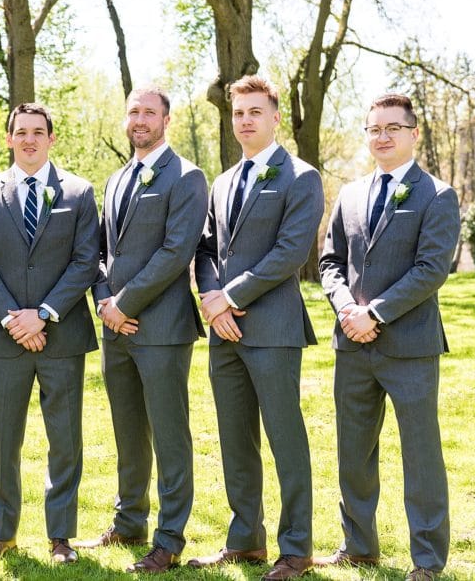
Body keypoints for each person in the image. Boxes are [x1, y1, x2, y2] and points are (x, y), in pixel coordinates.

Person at [317, 93, 459, 581]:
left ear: (413, 133)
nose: (381, 137)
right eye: (373, 128)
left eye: (392, 128)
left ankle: (427, 560)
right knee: (353, 452)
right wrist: (346, 310)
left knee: (420, 454)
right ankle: (359, 545)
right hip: (352, 344)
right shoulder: (350, 194)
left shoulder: (437, 195)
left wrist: (374, 312)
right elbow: (330, 262)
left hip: (410, 345)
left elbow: (431, 269)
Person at [191, 76, 323, 580]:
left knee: (285, 438)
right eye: (238, 113)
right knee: (234, 438)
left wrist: (233, 295)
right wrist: (211, 299)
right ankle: (245, 539)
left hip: (272, 328)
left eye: (254, 112)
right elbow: (204, 249)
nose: (245, 120)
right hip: (223, 332)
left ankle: (296, 549)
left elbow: (290, 252)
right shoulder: (222, 181)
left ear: (274, 117)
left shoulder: (300, 177)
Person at [79, 86, 207, 573]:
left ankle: (169, 539)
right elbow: (101, 254)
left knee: (169, 433)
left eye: (149, 112)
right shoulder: (115, 180)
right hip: (116, 329)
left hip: (161, 327)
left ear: (166, 121)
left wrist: (125, 302)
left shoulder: (187, 177)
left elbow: (177, 252)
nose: (140, 119)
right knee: (128, 430)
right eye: (133, 111)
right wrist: (104, 302)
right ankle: (128, 521)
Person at [0, 102, 100, 565]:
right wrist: (12, 318)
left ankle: (61, 536)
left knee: (65, 438)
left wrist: (42, 314)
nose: (29, 139)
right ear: (9, 138)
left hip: (62, 335)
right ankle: (0, 534)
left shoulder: (79, 193)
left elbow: (86, 261)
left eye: (38, 132)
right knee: (5, 439)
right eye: (20, 132)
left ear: (51, 139)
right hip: (5, 338)